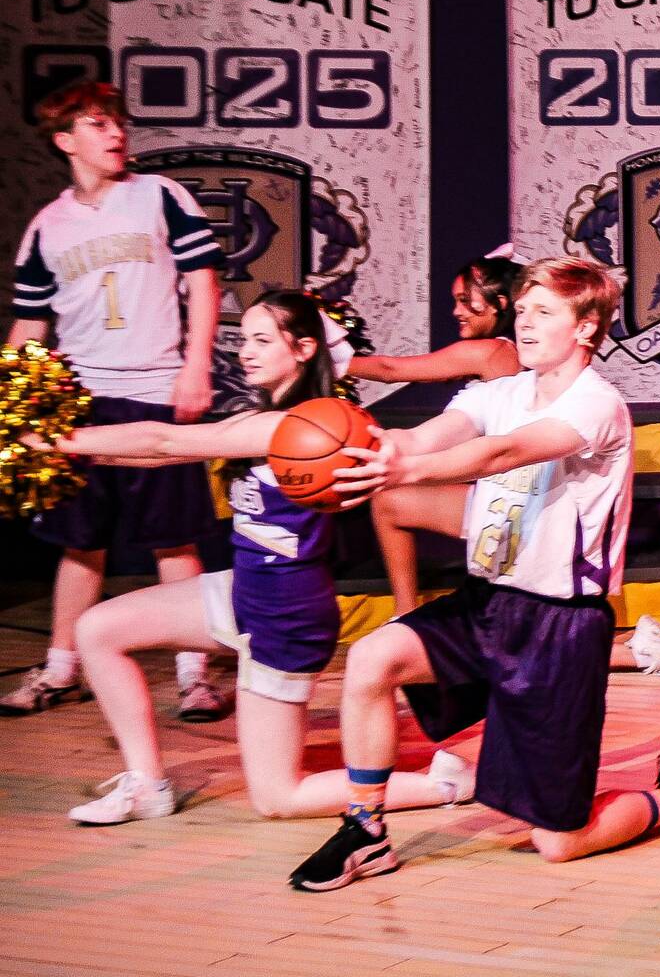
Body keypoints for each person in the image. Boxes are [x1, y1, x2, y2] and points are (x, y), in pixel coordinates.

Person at [286, 258, 660, 892]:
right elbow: (430, 437)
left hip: (561, 625)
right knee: (373, 659)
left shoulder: (597, 404)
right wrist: (377, 450)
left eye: (545, 312)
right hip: (487, 604)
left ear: (586, 327)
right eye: (524, 310)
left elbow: (502, 452)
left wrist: (405, 472)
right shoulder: (500, 393)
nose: (525, 322)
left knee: (558, 842)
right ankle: (366, 830)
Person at [39, 291, 471, 824]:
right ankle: (146, 786)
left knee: (279, 798)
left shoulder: (300, 426)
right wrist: (74, 450)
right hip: (244, 590)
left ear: (304, 349)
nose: (245, 351)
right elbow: (154, 454)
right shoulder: (273, 419)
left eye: (262, 341)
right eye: (244, 339)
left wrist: (58, 440)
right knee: (98, 629)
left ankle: (443, 784)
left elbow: (164, 442)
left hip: (284, 618)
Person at [4, 80, 229, 722]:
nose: (116, 133)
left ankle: (193, 676)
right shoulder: (47, 227)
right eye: (98, 124)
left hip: (155, 390)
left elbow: (204, 282)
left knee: (173, 541)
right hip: (78, 403)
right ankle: (61, 669)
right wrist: (11, 404)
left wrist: (196, 366)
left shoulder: (160, 195)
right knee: (80, 543)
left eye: (118, 122)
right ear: (65, 140)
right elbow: (30, 325)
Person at [349, 255, 522, 618]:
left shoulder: (491, 352)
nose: (456, 311)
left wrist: (323, 360)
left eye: (465, 301)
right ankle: (406, 616)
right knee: (390, 501)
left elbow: (389, 369)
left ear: (500, 303)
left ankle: (405, 615)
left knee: (388, 501)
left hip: (511, 511)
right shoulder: (506, 360)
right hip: (513, 504)